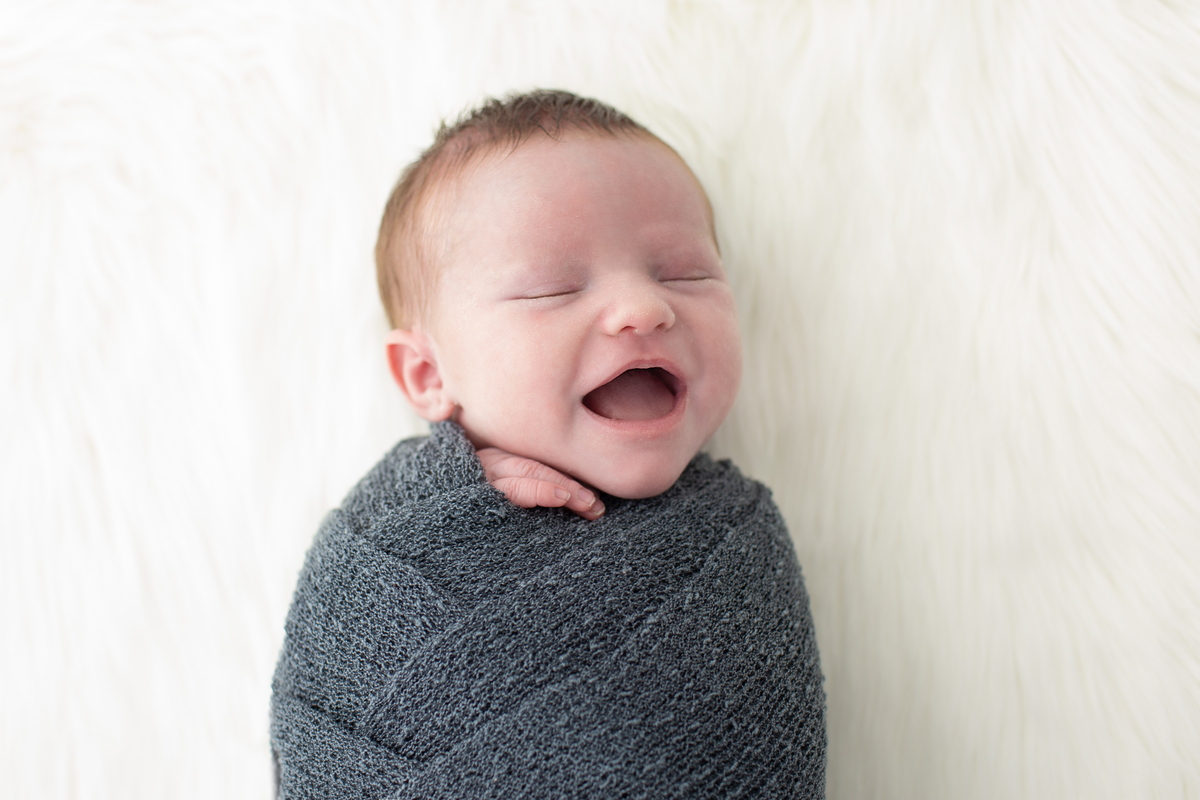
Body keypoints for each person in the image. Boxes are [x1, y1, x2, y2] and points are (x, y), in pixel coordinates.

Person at [271, 90, 825, 799]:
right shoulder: (384, 549)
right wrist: (447, 507)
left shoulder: (732, 548)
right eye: (555, 289)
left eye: (684, 273)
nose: (643, 308)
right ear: (430, 373)